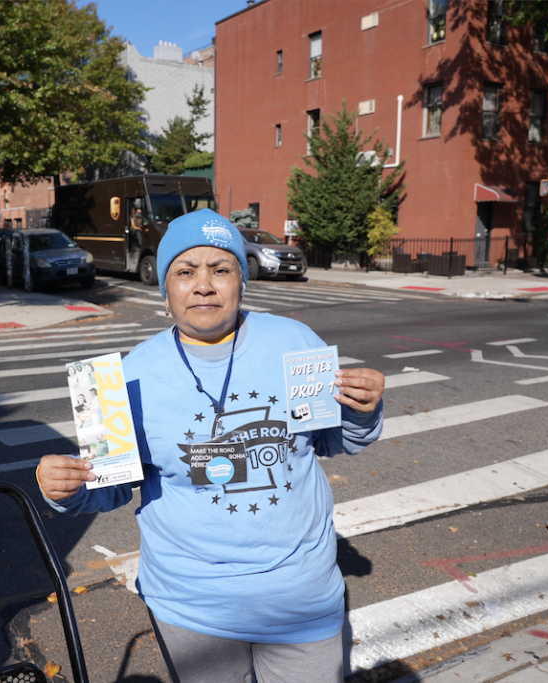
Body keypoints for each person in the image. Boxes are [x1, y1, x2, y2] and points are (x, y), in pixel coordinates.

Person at [37, 209, 385, 683]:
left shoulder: (296, 343)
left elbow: (334, 440)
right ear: (165, 291)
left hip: (300, 604)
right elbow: (111, 489)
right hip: (191, 610)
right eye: (185, 271)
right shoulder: (125, 378)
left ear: (242, 281)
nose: (203, 285)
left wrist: (361, 410)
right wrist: (66, 489)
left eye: (220, 269)